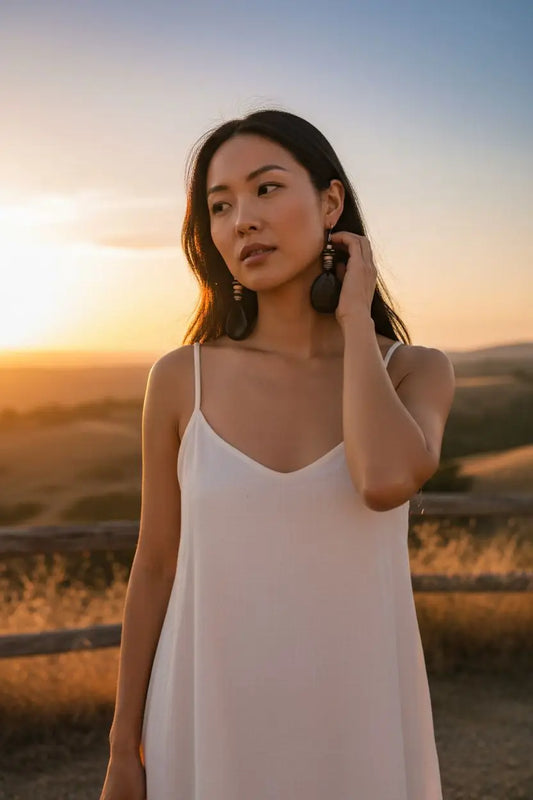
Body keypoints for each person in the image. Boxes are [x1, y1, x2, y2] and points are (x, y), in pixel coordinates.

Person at [99, 108, 455, 800]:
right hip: (207, 717)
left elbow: (383, 481)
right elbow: (155, 565)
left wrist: (353, 318)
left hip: (360, 721)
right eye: (220, 205)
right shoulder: (180, 379)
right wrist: (122, 750)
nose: (242, 220)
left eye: (265, 189)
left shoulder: (416, 372)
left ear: (329, 202)